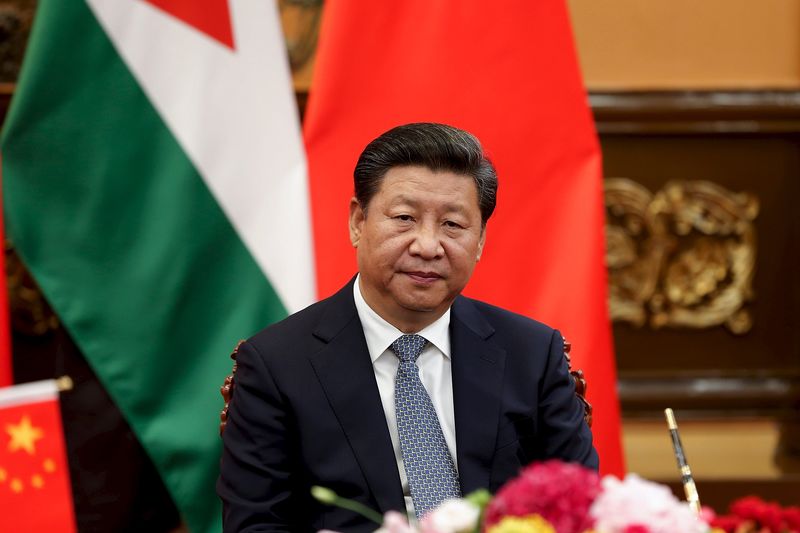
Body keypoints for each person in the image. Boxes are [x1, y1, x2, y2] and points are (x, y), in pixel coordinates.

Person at [217, 123, 598, 532]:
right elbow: (256, 525)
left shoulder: (532, 354)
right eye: (404, 218)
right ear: (358, 221)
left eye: (453, 224)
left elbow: (581, 509)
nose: (428, 245)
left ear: (481, 239)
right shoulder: (277, 365)